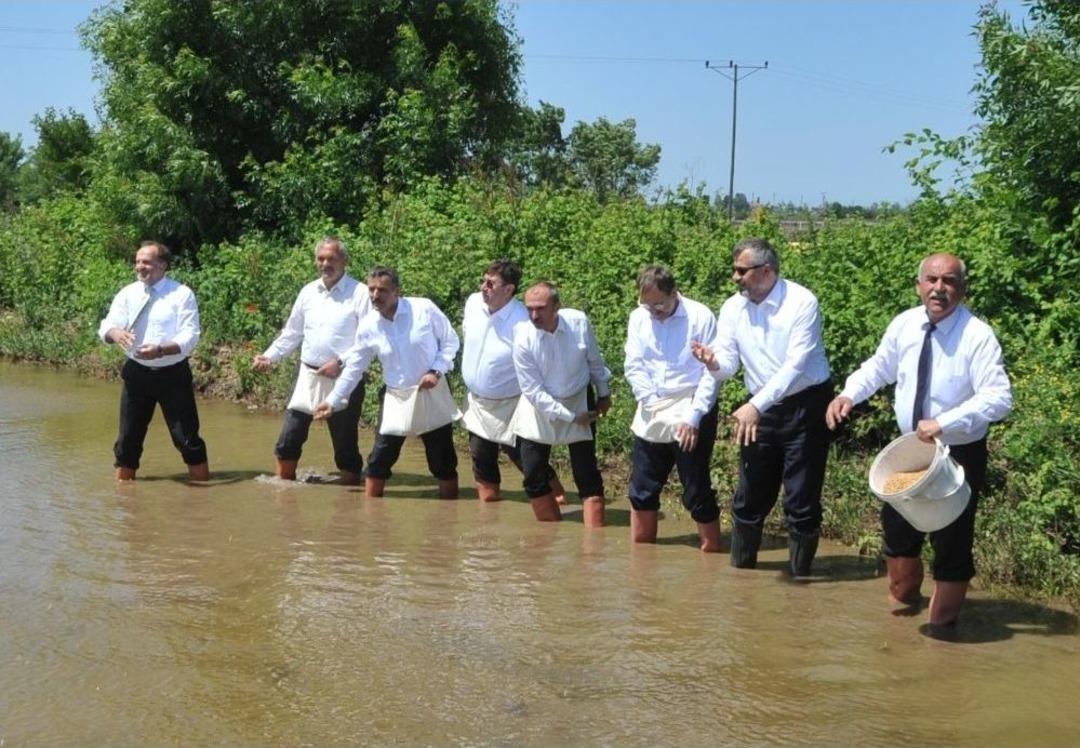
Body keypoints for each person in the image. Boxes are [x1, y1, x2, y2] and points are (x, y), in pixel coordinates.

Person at [825, 253, 1012, 626]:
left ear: (962, 288)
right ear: (919, 285)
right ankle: (901, 618)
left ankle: (942, 635)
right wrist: (848, 394)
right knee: (898, 537)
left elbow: (999, 398)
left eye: (949, 281)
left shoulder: (977, 335)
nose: (939, 288)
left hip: (957, 453)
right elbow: (880, 366)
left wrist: (943, 422)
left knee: (952, 543)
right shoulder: (905, 324)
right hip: (910, 449)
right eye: (931, 280)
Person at [692, 237, 833, 576]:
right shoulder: (733, 307)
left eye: (741, 270)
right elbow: (728, 364)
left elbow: (796, 364)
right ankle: (741, 579)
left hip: (805, 406)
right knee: (749, 494)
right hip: (760, 408)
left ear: (766, 271)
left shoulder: (801, 302)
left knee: (800, 498)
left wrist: (756, 405)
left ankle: (800, 581)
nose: (735, 277)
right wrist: (712, 362)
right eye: (734, 270)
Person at [314, 266, 461, 498]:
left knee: (442, 460)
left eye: (382, 290)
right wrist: (332, 401)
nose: (375, 295)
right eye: (371, 289)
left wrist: (436, 371)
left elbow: (451, 342)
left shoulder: (423, 309)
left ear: (396, 292)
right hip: (395, 396)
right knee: (379, 460)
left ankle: (450, 512)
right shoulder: (369, 325)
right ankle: (370, 521)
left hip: (430, 391)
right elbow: (354, 368)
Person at [252, 237, 371, 484]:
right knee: (289, 438)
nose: (325, 263)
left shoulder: (360, 293)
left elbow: (369, 339)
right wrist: (269, 356)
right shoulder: (308, 291)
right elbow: (292, 333)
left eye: (332, 259)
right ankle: (283, 489)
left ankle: (351, 498)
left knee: (345, 444)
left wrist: (340, 362)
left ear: (345, 261)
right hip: (308, 376)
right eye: (321, 258)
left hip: (344, 377)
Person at [624, 265, 722, 550]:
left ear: (673, 292)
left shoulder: (700, 315)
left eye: (659, 304)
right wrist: (650, 401)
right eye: (647, 305)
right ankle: (641, 558)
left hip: (692, 402)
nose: (654, 311)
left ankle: (712, 552)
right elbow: (634, 364)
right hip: (652, 402)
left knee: (695, 488)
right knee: (642, 488)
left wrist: (693, 416)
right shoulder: (639, 317)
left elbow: (711, 373)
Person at [98, 240, 209, 482]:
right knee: (127, 441)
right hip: (136, 374)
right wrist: (115, 333)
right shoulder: (128, 293)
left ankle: (204, 499)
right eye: (137, 262)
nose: (140, 267)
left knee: (187, 438)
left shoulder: (181, 294)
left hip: (173, 374)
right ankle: (125, 503)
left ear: (162, 265)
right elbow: (107, 325)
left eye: (146, 262)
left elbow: (190, 337)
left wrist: (160, 350)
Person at [460, 259, 565, 503]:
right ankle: (488, 512)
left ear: (509, 289)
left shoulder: (523, 321)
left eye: (490, 283)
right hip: (478, 403)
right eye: (482, 281)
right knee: (480, 458)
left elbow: (541, 362)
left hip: (513, 404)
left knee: (527, 459)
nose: (483, 287)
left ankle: (557, 497)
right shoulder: (473, 303)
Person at [511, 281, 611, 525]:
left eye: (541, 308)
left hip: (578, 397)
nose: (534, 315)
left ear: (557, 306)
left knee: (586, 472)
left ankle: (593, 541)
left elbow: (594, 360)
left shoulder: (578, 322)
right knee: (533, 474)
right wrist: (569, 417)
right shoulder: (522, 336)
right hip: (539, 404)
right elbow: (532, 390)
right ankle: (549, 534)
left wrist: (603, 393)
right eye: (529, 309)